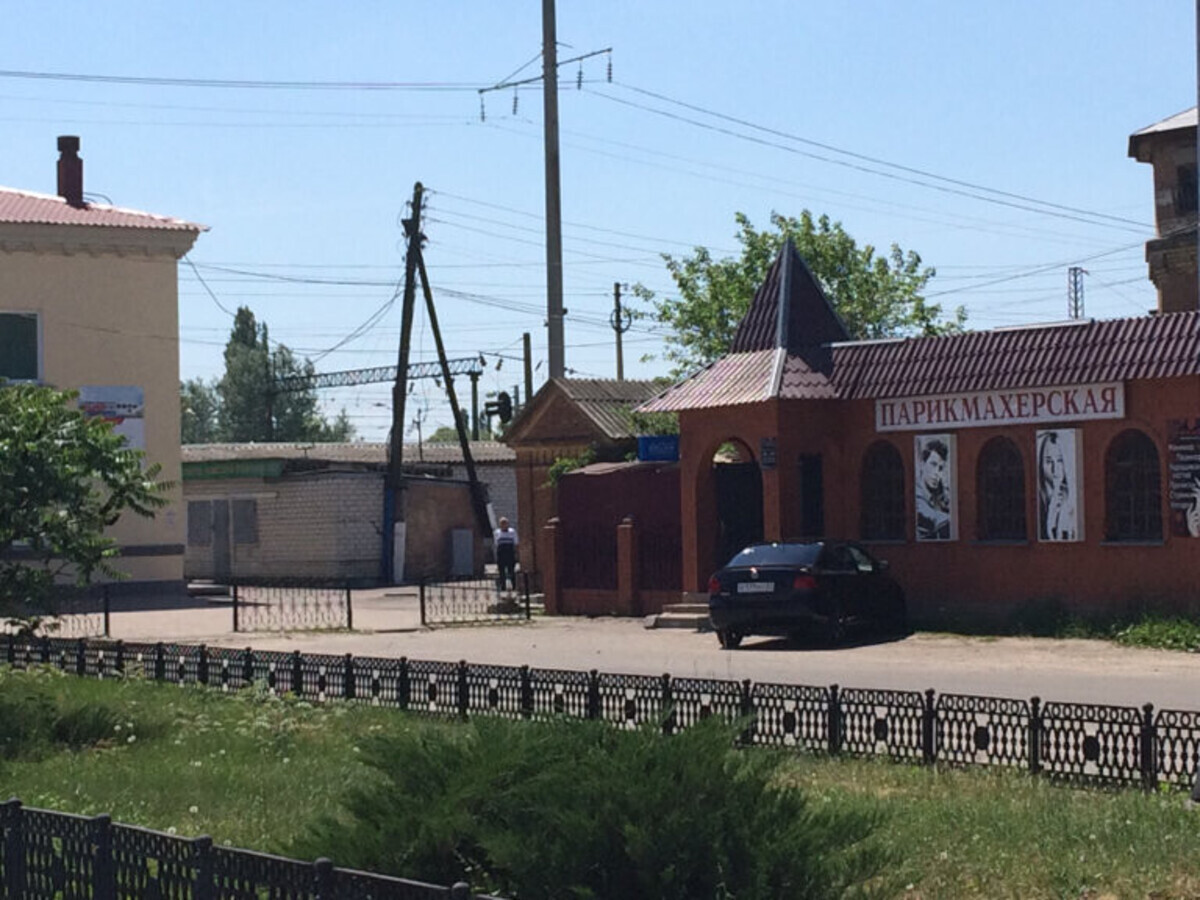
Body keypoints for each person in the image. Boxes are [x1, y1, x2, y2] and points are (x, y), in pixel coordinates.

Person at [1038, 431, 1075, 541]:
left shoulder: (1069, 498)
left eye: (1059, 460)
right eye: (1049, 461)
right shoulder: (1041, 498)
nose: (1055, 469)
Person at [915, 438, 951, 540]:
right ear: (922, 464)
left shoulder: (940, 489)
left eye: (940, 468)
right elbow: (930, 515)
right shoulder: (915, 491)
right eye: (933, 465)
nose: (936, 474)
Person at [493, 516, 519, 593]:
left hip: (510, 553)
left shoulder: (512, 532)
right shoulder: (497, 532)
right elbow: (496, 544)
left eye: (505, 523)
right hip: (501, 554)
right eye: (502, 523)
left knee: (511, 571)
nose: (504, 525)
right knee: (501, 572)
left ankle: (514, 586)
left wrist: (517, 554)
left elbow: (516, 543)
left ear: (508, 524)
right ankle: (503, 587)